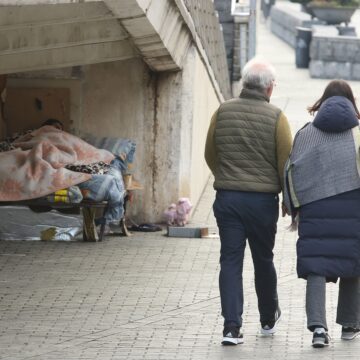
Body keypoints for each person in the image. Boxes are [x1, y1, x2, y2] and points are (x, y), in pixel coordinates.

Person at [205, 57, 292, 345]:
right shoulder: (277, 117)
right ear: (269, 89)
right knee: (263, 259)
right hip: (262, 202)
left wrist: (226, 177)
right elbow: (286, 163)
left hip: (228, 199)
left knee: (230, 260)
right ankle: (268, 318)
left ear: (244, 84)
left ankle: (232, 327)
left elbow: (210, 152)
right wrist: (286, 197)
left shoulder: (222, 111)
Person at [284, 79, 360, 348]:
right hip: (353, 210)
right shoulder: (358, 134)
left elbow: (292, 171)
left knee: (316, 266)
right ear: (352, 103)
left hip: (316, 211)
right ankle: (350, 324)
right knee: (353, 263)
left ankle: (318, 328)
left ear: (322, 102)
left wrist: (293, 208)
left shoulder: (306, 133)